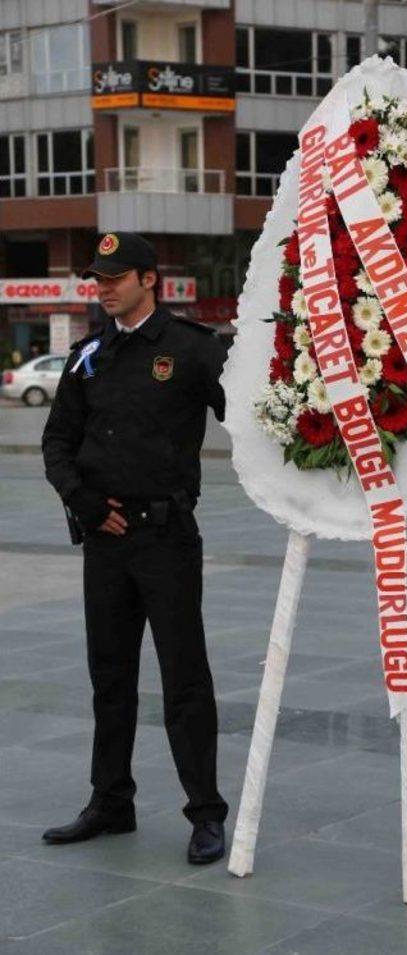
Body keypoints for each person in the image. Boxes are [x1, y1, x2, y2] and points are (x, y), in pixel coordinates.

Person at [41, 232, 229, 865]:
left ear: (151, 279)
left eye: (116, 277)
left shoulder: (192, 350)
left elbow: (252, 415)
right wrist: (87, 504)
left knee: (185, 681)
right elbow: (58, 442)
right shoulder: (88, 355)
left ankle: (204, 812)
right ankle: (110, 801)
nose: (104, 287)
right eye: (98, 278)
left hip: (166, 538)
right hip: (106, 543)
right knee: (110, 678)